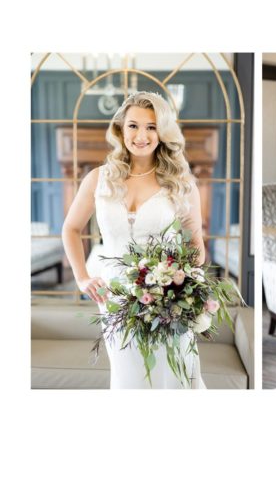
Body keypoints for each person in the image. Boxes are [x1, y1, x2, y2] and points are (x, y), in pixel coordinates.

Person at [62, 91, 206, 389]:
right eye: (133, 126)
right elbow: (71, 229)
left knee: (173, 376)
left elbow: (195, 243)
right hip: (114, 300)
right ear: (120, 129)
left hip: (167, 303)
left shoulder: (181, 183)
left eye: (151, 127)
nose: (141, 135)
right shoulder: (97, 179)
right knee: (129, 381)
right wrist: (81, 277)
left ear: (162, 132)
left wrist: (179, 284)